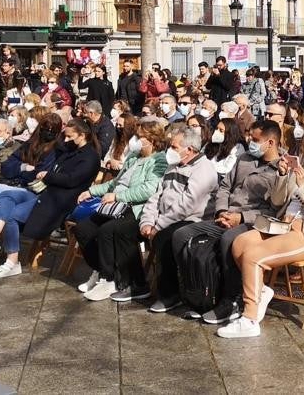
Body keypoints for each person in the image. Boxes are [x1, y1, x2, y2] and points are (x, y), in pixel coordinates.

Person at [216, 129, 304, 339]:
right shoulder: (298, 169)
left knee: (253, 257)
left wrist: (302, 186)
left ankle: (249, 317)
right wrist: (283, 176)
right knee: (239, 243)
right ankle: (262, 290)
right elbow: (276, 202)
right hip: (282, 224)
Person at [167, 120, 287, 323]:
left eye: (256, 139)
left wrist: (241, 218)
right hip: (225, 215)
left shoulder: (281, 169)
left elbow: (275, 208)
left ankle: (231, 299)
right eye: (250, 136)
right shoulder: (244, 159)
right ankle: (197, 294)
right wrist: (222, 210)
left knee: (229, 240)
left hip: (253, 222)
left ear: (271, 142)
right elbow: (224, 187)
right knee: (181, 235)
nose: (250, 141)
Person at [0, 119, 101, 278]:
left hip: (59, 201)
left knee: (11, 215)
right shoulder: (69, 148)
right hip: (44, 193)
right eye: (65, 136)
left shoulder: (90, 157)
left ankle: (11, 260)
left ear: (82, 136)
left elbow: (71, 180)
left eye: (70, 136)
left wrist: (48, 175)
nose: (66, 140)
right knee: (6, 195)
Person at [72, 121, 169, 301]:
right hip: (114, 206)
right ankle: (103, 270)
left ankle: (110, 279)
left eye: (140, 137)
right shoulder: (133, 156)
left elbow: (149, 189)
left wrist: (118, 197)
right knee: (82, 229)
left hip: (136, 209)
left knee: (108, 231)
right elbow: (116, 183)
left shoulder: (159, 160)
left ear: (153, 140)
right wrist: (92, 191)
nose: (136, 140)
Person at [140, 127, 219, 312]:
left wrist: (158, 225)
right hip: (165, 217)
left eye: (174, 147)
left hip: (193, 219)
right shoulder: (173, 165)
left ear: (189, 150)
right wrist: (148, 221)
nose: (170, 150)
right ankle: (130, 281)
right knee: (128, 228)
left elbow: (187, 205)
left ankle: (170, 295)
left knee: (165, 238)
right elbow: (156, 195)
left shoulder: (204, 170)